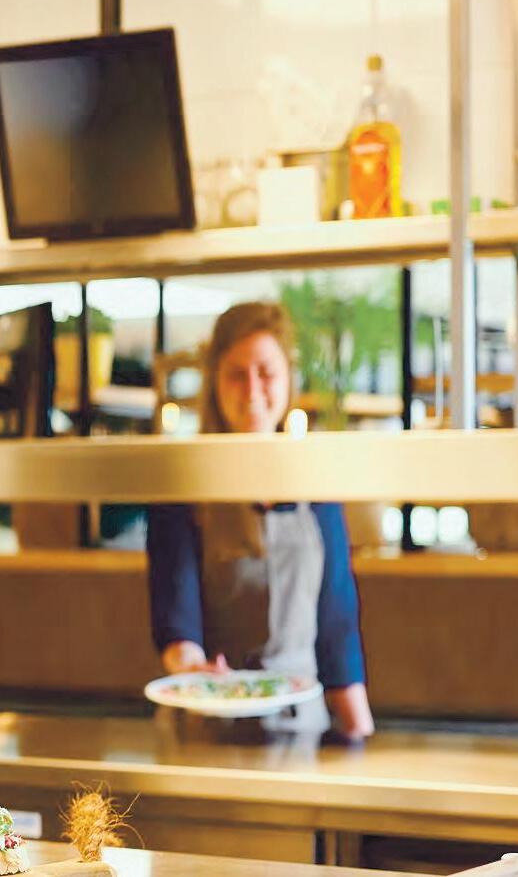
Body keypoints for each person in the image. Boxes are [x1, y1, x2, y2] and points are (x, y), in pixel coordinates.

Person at [145, 302, 375, 738]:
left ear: (288, 380)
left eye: (266, 373)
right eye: (237, 374)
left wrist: (358, 730)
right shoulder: (182, 490)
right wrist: (192, 670)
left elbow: (337, 628)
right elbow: (176, 617)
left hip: (303, 730)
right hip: (206, 726)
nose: (252, 389)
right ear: (214, 382)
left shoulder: (316, 488)